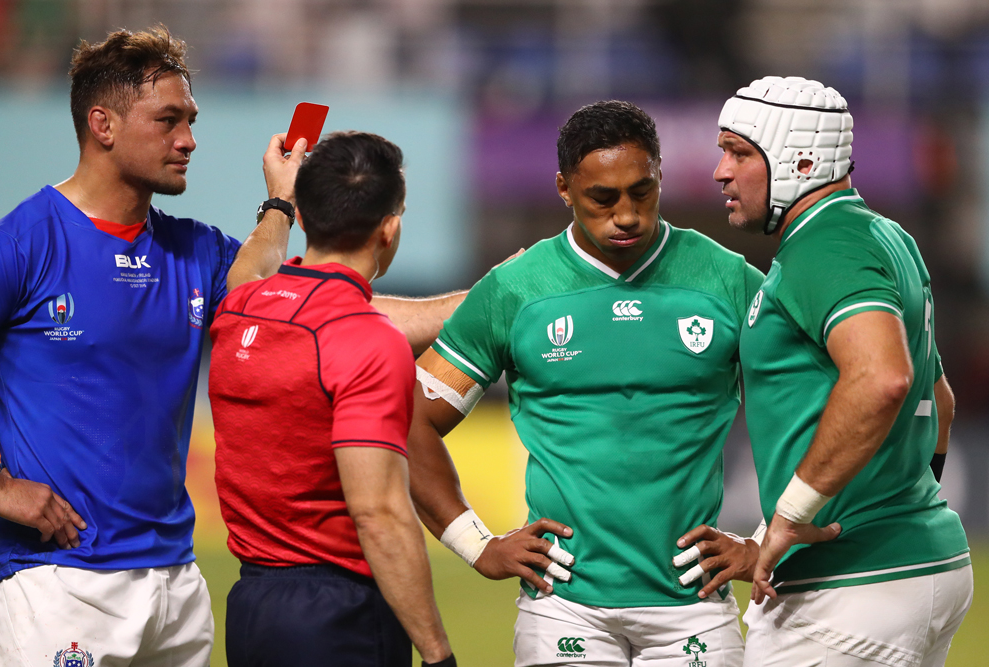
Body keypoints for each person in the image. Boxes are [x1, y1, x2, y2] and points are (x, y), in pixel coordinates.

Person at [0, 27, 461, 666]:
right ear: (101, 124)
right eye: (168, 120)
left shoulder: (194, 249)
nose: (188, 139)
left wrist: (484, 300)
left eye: (190, 120)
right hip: (56, 581)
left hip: (177, 585)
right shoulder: (21, 245)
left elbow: (327, 313)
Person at [406, 100, 764, 666]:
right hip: (562, 608)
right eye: (603, 198)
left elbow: (813, 403)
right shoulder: (516, 290)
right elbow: (410, 420)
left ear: (660, 177)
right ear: (564, 189)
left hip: (693, 606)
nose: (626, 214)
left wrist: (764, 542)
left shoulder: (727, 280)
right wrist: (475, 544)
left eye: (641, 192)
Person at [698, 75, 972, 667]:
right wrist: (903, 508)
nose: (720, 171)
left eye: (739, 152)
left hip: (847, 589)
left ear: (799, 158)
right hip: (921, 562)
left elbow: (883, 378)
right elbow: (939, 399)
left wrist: (789, 518)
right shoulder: (887, 237)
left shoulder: (823, 246)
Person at [208, 131, 456, 667]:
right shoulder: (371, 340)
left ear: (308, 216)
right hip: (341, 616)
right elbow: (380, 515)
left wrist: (278, 202)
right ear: (389, 230)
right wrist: (438, 653)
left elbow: (252, 266)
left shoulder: (240, 307)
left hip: (251, 611)